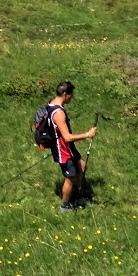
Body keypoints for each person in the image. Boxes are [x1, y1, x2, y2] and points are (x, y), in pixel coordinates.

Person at [45, 80, 97, 211]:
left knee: (82, 166)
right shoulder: (59, 113)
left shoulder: (51, 103)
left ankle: (80, 198)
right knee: (70, 177)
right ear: (64, 94)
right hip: (63, 149)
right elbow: (67, 137)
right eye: (71, 95)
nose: (72, 97)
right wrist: (87, 134)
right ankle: (65, 206)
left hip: (67, 147)